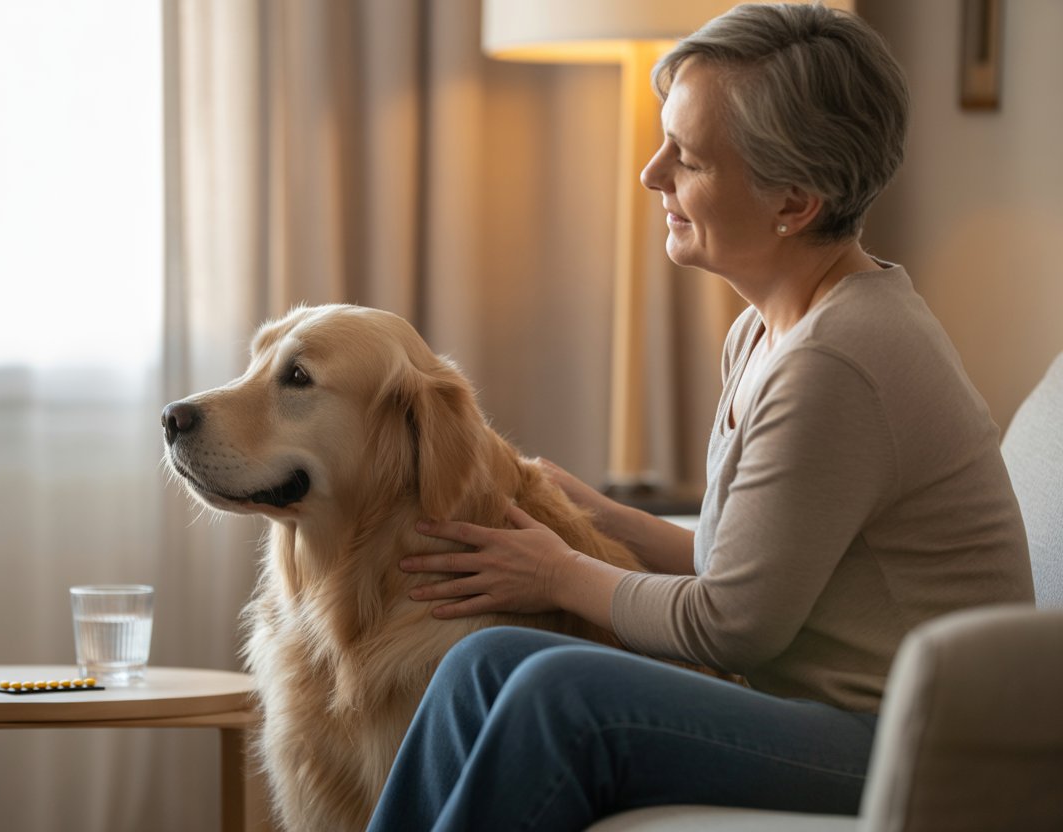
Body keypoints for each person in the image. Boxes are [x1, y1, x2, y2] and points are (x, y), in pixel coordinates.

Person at [366, 4, 1035, 830]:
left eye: (685, 158)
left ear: (793, 201)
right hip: (842, 719)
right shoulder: (768, 330)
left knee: (556, 697)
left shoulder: (838, 360)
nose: (651, 174)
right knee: (483, 663)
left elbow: (732, 626)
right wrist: (591, 514)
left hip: (913, 744)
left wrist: (558, 572)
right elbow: (755, 569)